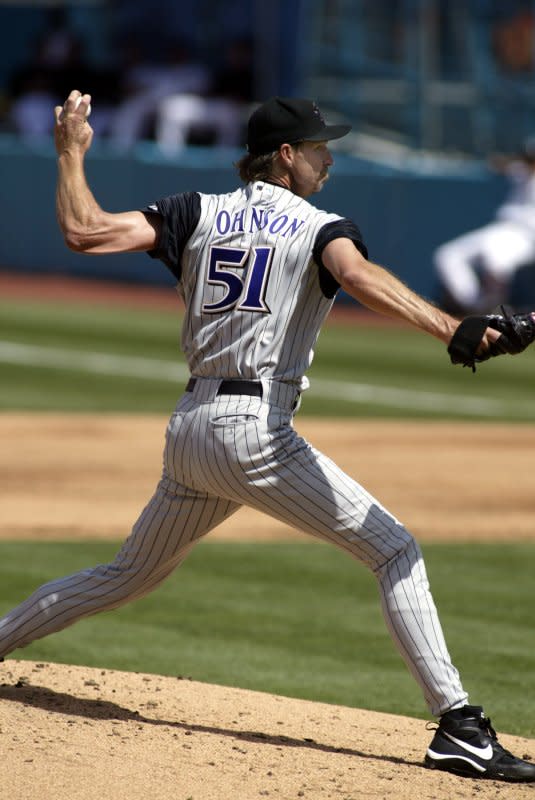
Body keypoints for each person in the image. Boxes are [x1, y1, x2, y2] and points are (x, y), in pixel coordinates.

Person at [0, 90, 533, 783]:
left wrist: (71, 153)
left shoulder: (195, 210)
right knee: (393, 548)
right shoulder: (320, 226)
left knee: (127, 573)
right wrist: (451, 327)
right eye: (318, 148)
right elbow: (357, 275)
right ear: (285, 156)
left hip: (190, 430)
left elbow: (86, 232)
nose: (327, 159)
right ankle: (458, 727)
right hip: (252, 435)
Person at [433, 139, 535, 315]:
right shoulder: (521, 171)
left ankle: (497, 311)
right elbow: (499, 164)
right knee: (448, 255)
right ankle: (475, 305)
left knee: (495, 261)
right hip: (499, 229)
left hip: (525, 236)